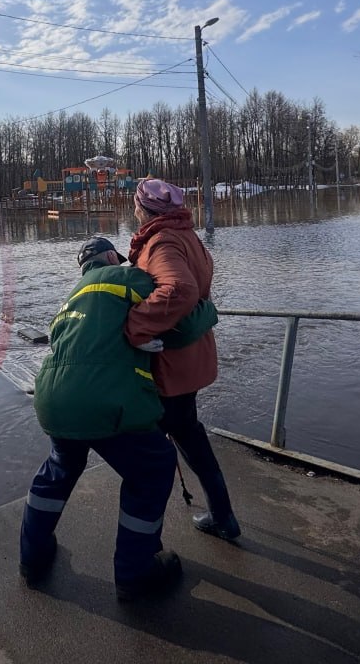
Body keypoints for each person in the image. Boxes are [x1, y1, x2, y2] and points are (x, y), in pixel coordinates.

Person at [20, 237, 217, 601]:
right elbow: (184, 324)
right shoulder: (127, 279)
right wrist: (209, 309)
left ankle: (32, 558)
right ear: (112, 257)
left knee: (59, 470)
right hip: (103, 397)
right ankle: (135, 573)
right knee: (153, 468)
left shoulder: (71, 297)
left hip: (52, 397)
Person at [125, 177, 241, 541]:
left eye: (136, 205)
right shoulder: (186, 235)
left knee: (151, 450)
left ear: (143, 209)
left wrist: (135, 326)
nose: (134, 211)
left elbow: (181, 288)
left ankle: (144, 543)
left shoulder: (162, 240)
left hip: (171, 363)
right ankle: (221, 515)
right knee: (188, 435)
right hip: (190, 357)